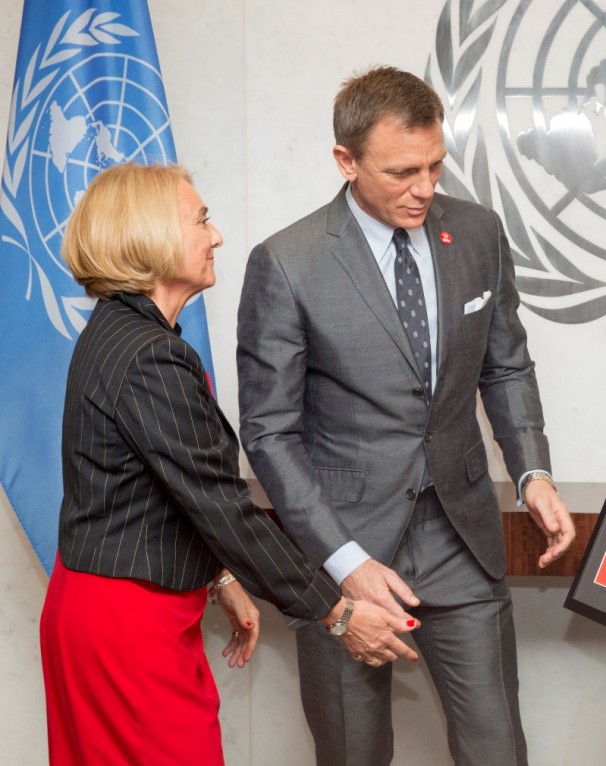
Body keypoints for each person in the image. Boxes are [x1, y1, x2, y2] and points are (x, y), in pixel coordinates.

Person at [236, 65, 575, 766]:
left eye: (434, 166)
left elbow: (505, 364)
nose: (424, 188)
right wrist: (345, 561)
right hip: (344, 552)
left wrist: (533, 473)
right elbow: (270, 433)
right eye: (400, 172)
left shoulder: (478, 234)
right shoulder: (288, 262)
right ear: (346, 161)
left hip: (463, 539)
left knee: (497, 751)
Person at [40, 162, 417, 766]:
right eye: (202, 220)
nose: (216, 236)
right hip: (126, 624)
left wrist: (220, 577)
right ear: (151, 236)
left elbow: (152, 489)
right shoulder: (150, 357)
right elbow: (223, 507)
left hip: (105, 602)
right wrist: (340, 613)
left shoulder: (122, 332)